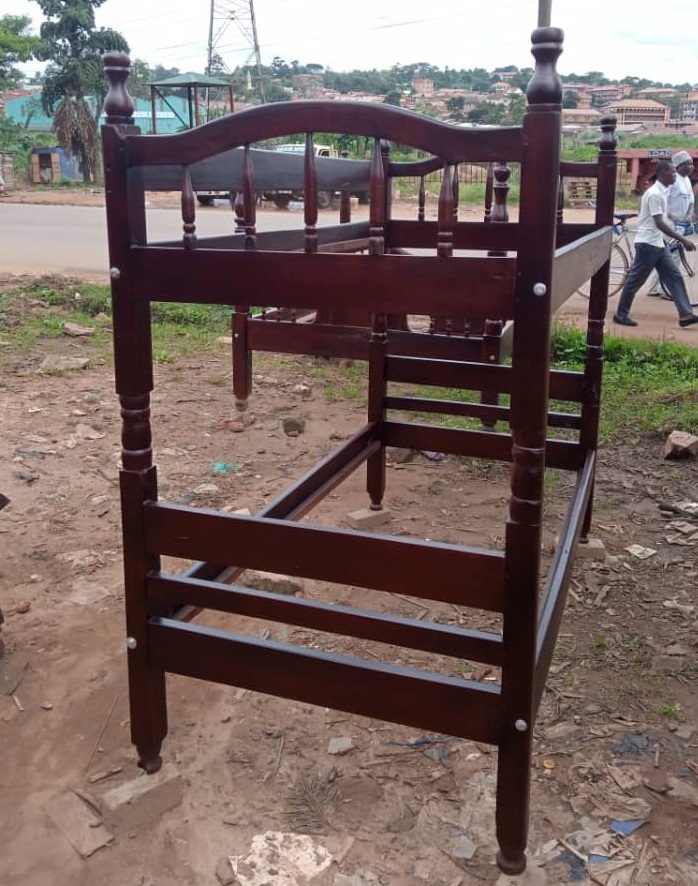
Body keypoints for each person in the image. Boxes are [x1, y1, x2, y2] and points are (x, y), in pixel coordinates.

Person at [613, 160, 698, 328]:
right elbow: (659, 222)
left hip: (658, 244)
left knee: (674, 277)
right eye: (672, 172)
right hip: (648, 245)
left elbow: (665, 214)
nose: (675, 175)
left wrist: (680, 221)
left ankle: (686, 315)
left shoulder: (663, 192)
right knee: (635, 281)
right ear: (662, 174)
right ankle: (620, 314)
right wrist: (683, 240)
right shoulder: (655, 194)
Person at [646, 150, 696, 298]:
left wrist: (690, 217)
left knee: (664, 256)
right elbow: (663, 201)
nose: (692, 167)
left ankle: (654, 288)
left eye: (692, 164)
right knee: (672, 257)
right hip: (669, 224)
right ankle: (665, 290)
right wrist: (672, 217)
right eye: (688, 164)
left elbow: (690, 201)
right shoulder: (671, 181)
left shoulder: (686, 180)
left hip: (681, 224)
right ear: (678, 166)